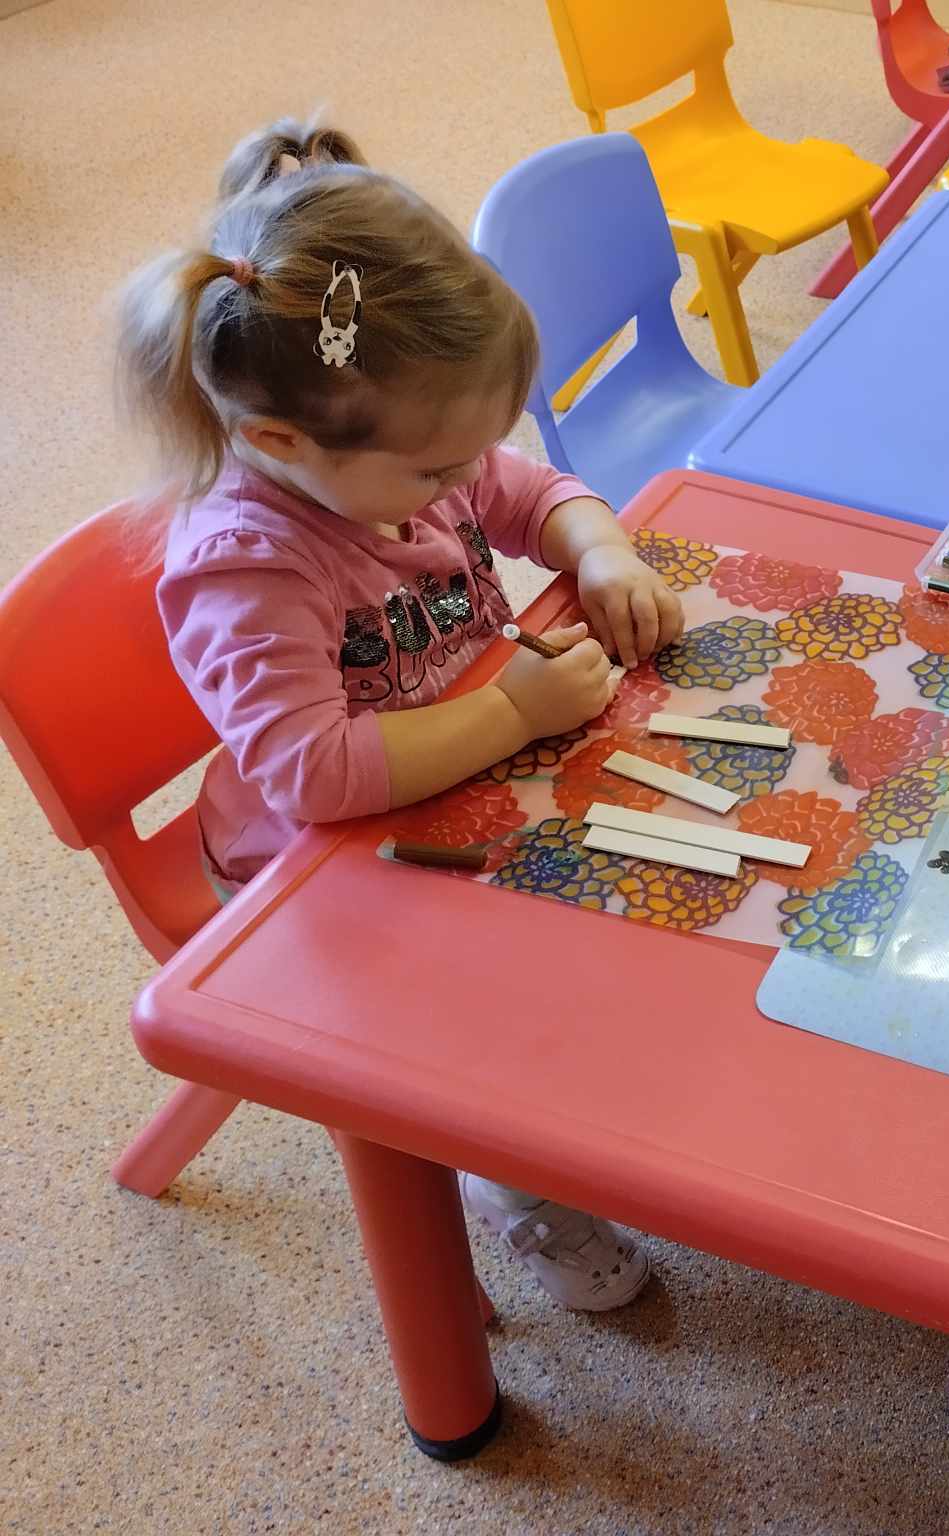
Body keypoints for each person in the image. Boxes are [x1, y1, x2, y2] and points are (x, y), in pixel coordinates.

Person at [118, 118, 686, 1311]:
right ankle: (511, 1177)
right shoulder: (246, 565)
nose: (463, 482)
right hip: (311, 858)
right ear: (276, 441)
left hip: (464, 764)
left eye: (471, 453)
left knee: (656, 868)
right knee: (485, 1013)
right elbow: (312, 773)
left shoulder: (406, 446)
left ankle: (578, 1077)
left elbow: (533, 490)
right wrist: (515, 714)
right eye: (437, 471)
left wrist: (603, 551)